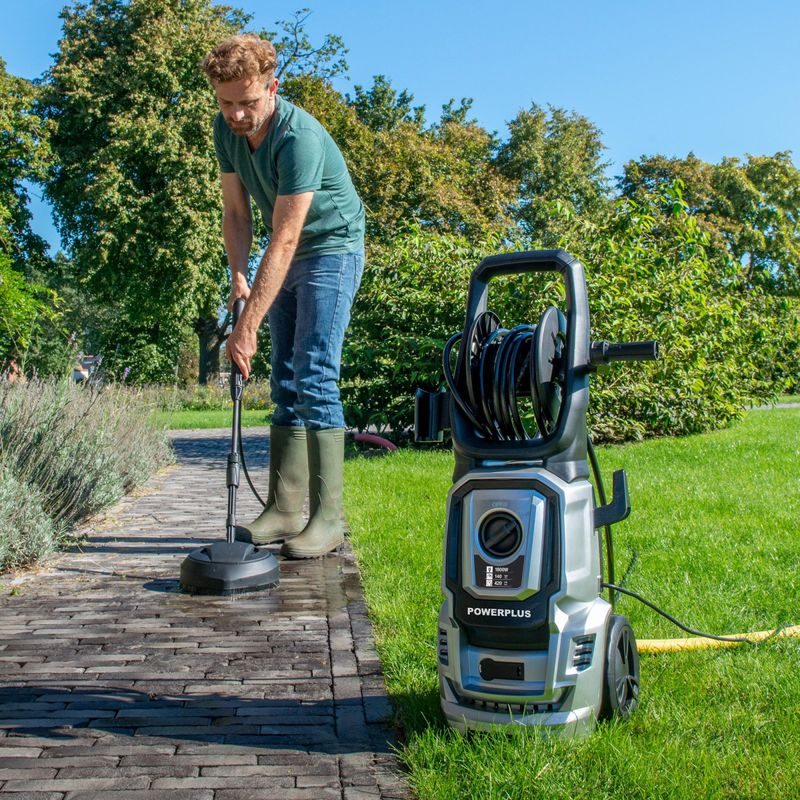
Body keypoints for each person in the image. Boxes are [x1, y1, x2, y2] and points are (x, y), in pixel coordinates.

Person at [202, 34, 365, 559]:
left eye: (248, 102)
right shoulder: (226, 132)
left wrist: (247, 325)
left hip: (329, 249)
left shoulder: (300, 138)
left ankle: (327, 520)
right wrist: (237, 277)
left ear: (271, 87)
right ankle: (282, 509)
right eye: (226, 103)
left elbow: (287, 237)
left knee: (315, 371)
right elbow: (236, 214)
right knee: (287, 379)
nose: (237, 114)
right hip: (284, 248)